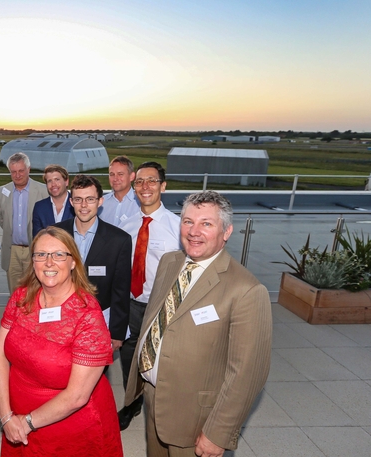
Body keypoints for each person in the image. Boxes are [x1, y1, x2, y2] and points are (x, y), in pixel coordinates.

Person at [125, 191, 272, 457]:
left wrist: (218, 432)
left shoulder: (247, 290)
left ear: (226, 232)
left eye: (206, 223)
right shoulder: (170, 262)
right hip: (154, 398)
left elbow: (248, 374)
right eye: (188, 221)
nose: (194, 232)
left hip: (196, 418)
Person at [0, 226, 123, 457]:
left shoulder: (88, 315)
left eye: (59, 254)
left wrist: (26, 423)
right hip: (16, 416)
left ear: (73, 262)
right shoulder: (21, 297)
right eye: (41, 254)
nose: (49, 262)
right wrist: (5, 416)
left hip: (70, 427)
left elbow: (77, 396)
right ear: (33, 261)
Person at [115, 162, 181, 430]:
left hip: (162, 306)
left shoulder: (178, 227)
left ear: (163, 186)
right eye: (140, 181)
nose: (145, 187)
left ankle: (164, 406)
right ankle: (132, 402)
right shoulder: (127, 226)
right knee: (129, 356)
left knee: (162, 357)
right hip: (131, 304)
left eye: (152, 181)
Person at [55, 175, 131, 351]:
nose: (83, 205)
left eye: (90, 199)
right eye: (78, 199)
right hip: (59, 320)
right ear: (71, 202)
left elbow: (120, 290)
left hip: (99, 322)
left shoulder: (119, 240)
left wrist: (117, 332)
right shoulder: (55, 233)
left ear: (100, 201)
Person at [0, 152, 49, 293]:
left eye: (21, 171)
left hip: (35, 250)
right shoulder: (1, 192)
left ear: (28, 169)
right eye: (13, 172)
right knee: (15, 294)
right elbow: (2, 219)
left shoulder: (43, 191)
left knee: (36, 293)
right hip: (12, 251)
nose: (17, 175)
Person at [31, 164, 74, 237]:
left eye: (57, 179)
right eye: (49, 181)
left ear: (66, 182)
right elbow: (37, 238)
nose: (53, 184)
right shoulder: (39, 207)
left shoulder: (76, 204)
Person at [99, 156, 140, 226]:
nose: (115, 179)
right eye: (112, 174)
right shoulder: (101, 203)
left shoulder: (140, 204)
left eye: (120, 174)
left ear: (132, 176)